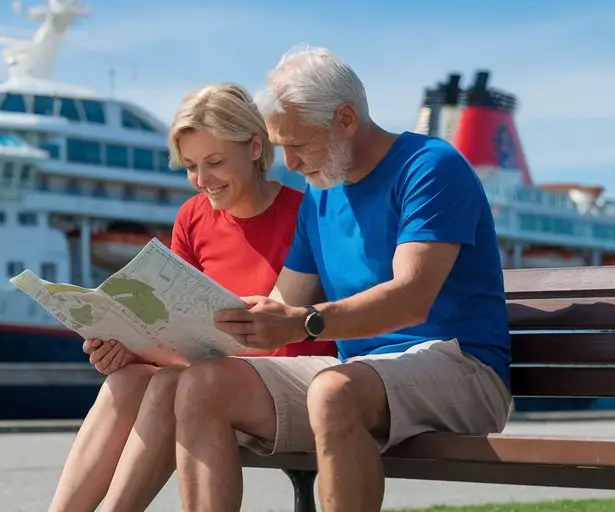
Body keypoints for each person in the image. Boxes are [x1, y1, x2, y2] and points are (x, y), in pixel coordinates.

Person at [173, 44, 514, 511]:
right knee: (201, 386)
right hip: (355, 375)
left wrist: (303, 322)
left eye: (298, 144)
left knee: (334, 393)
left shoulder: (430, 167)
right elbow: (281, 301)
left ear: (346, 119)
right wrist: (155, 335)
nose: (289, 163)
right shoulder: (321, 194)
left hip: (461, 368)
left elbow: (411, 298)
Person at [47, 82, 338, 512]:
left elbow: (291, 331)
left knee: (170, 383)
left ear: (255, 147)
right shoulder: (193, 216)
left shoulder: (306, 212)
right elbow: (173, 322)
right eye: (190, 166)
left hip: (285, 382)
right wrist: (128, 347)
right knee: (127, 378)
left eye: (215, 162)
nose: (203, 181)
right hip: (205, 377)